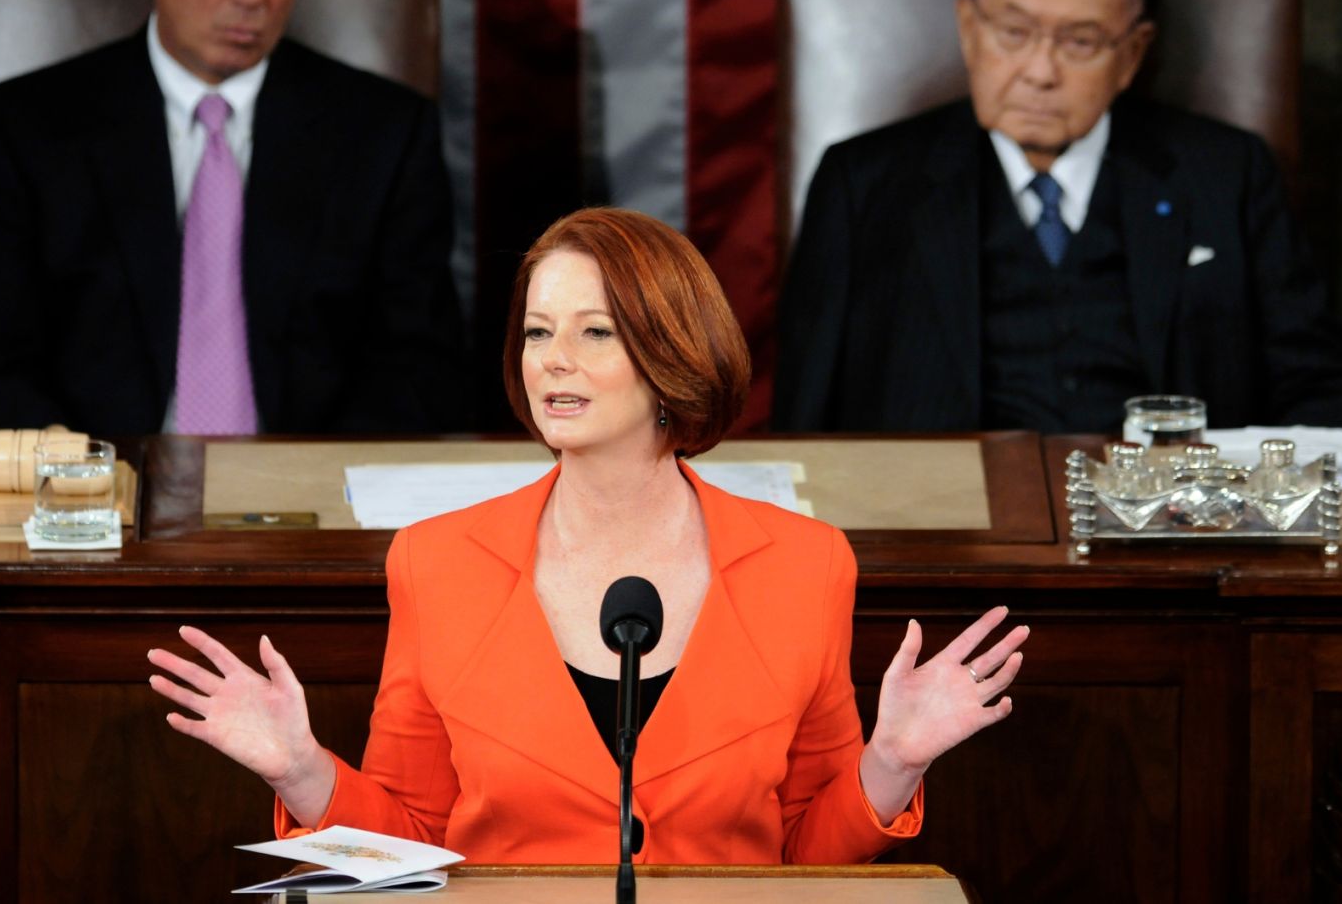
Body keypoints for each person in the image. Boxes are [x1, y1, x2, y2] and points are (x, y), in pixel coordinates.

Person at [148, 207, 1029, 863]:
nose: (551, 359)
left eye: (593, 332)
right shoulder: (436, 561)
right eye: (537, 332)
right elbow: (412, 846)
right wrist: (300, 771)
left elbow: (803, 860)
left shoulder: (807, 565)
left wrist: (892, 762)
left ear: (673, 355)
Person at [774, 0, 1342, 435]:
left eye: (1080, 42)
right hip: (947, 537)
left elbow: (1328, 389)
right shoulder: (865, 185)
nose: (1040, 73)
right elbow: (805, 419)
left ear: (1132, 53)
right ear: (968, 26)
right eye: (1013, 32)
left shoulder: (1226, 174)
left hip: (1168, 528)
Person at [0, 0, 467, 436]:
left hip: (313, 499)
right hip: (89, 496)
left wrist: (321, 485)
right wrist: (73, 478)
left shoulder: (386, 134)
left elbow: (422, 367)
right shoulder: (24, 129)